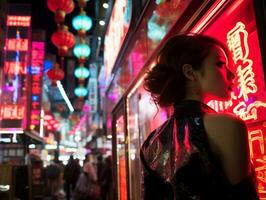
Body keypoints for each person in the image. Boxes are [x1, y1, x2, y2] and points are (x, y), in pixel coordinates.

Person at [140, 34, 259, 200]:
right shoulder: (228, 126)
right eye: (220, 64)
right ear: (190, 72)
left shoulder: (150, 142)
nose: (231, 74)